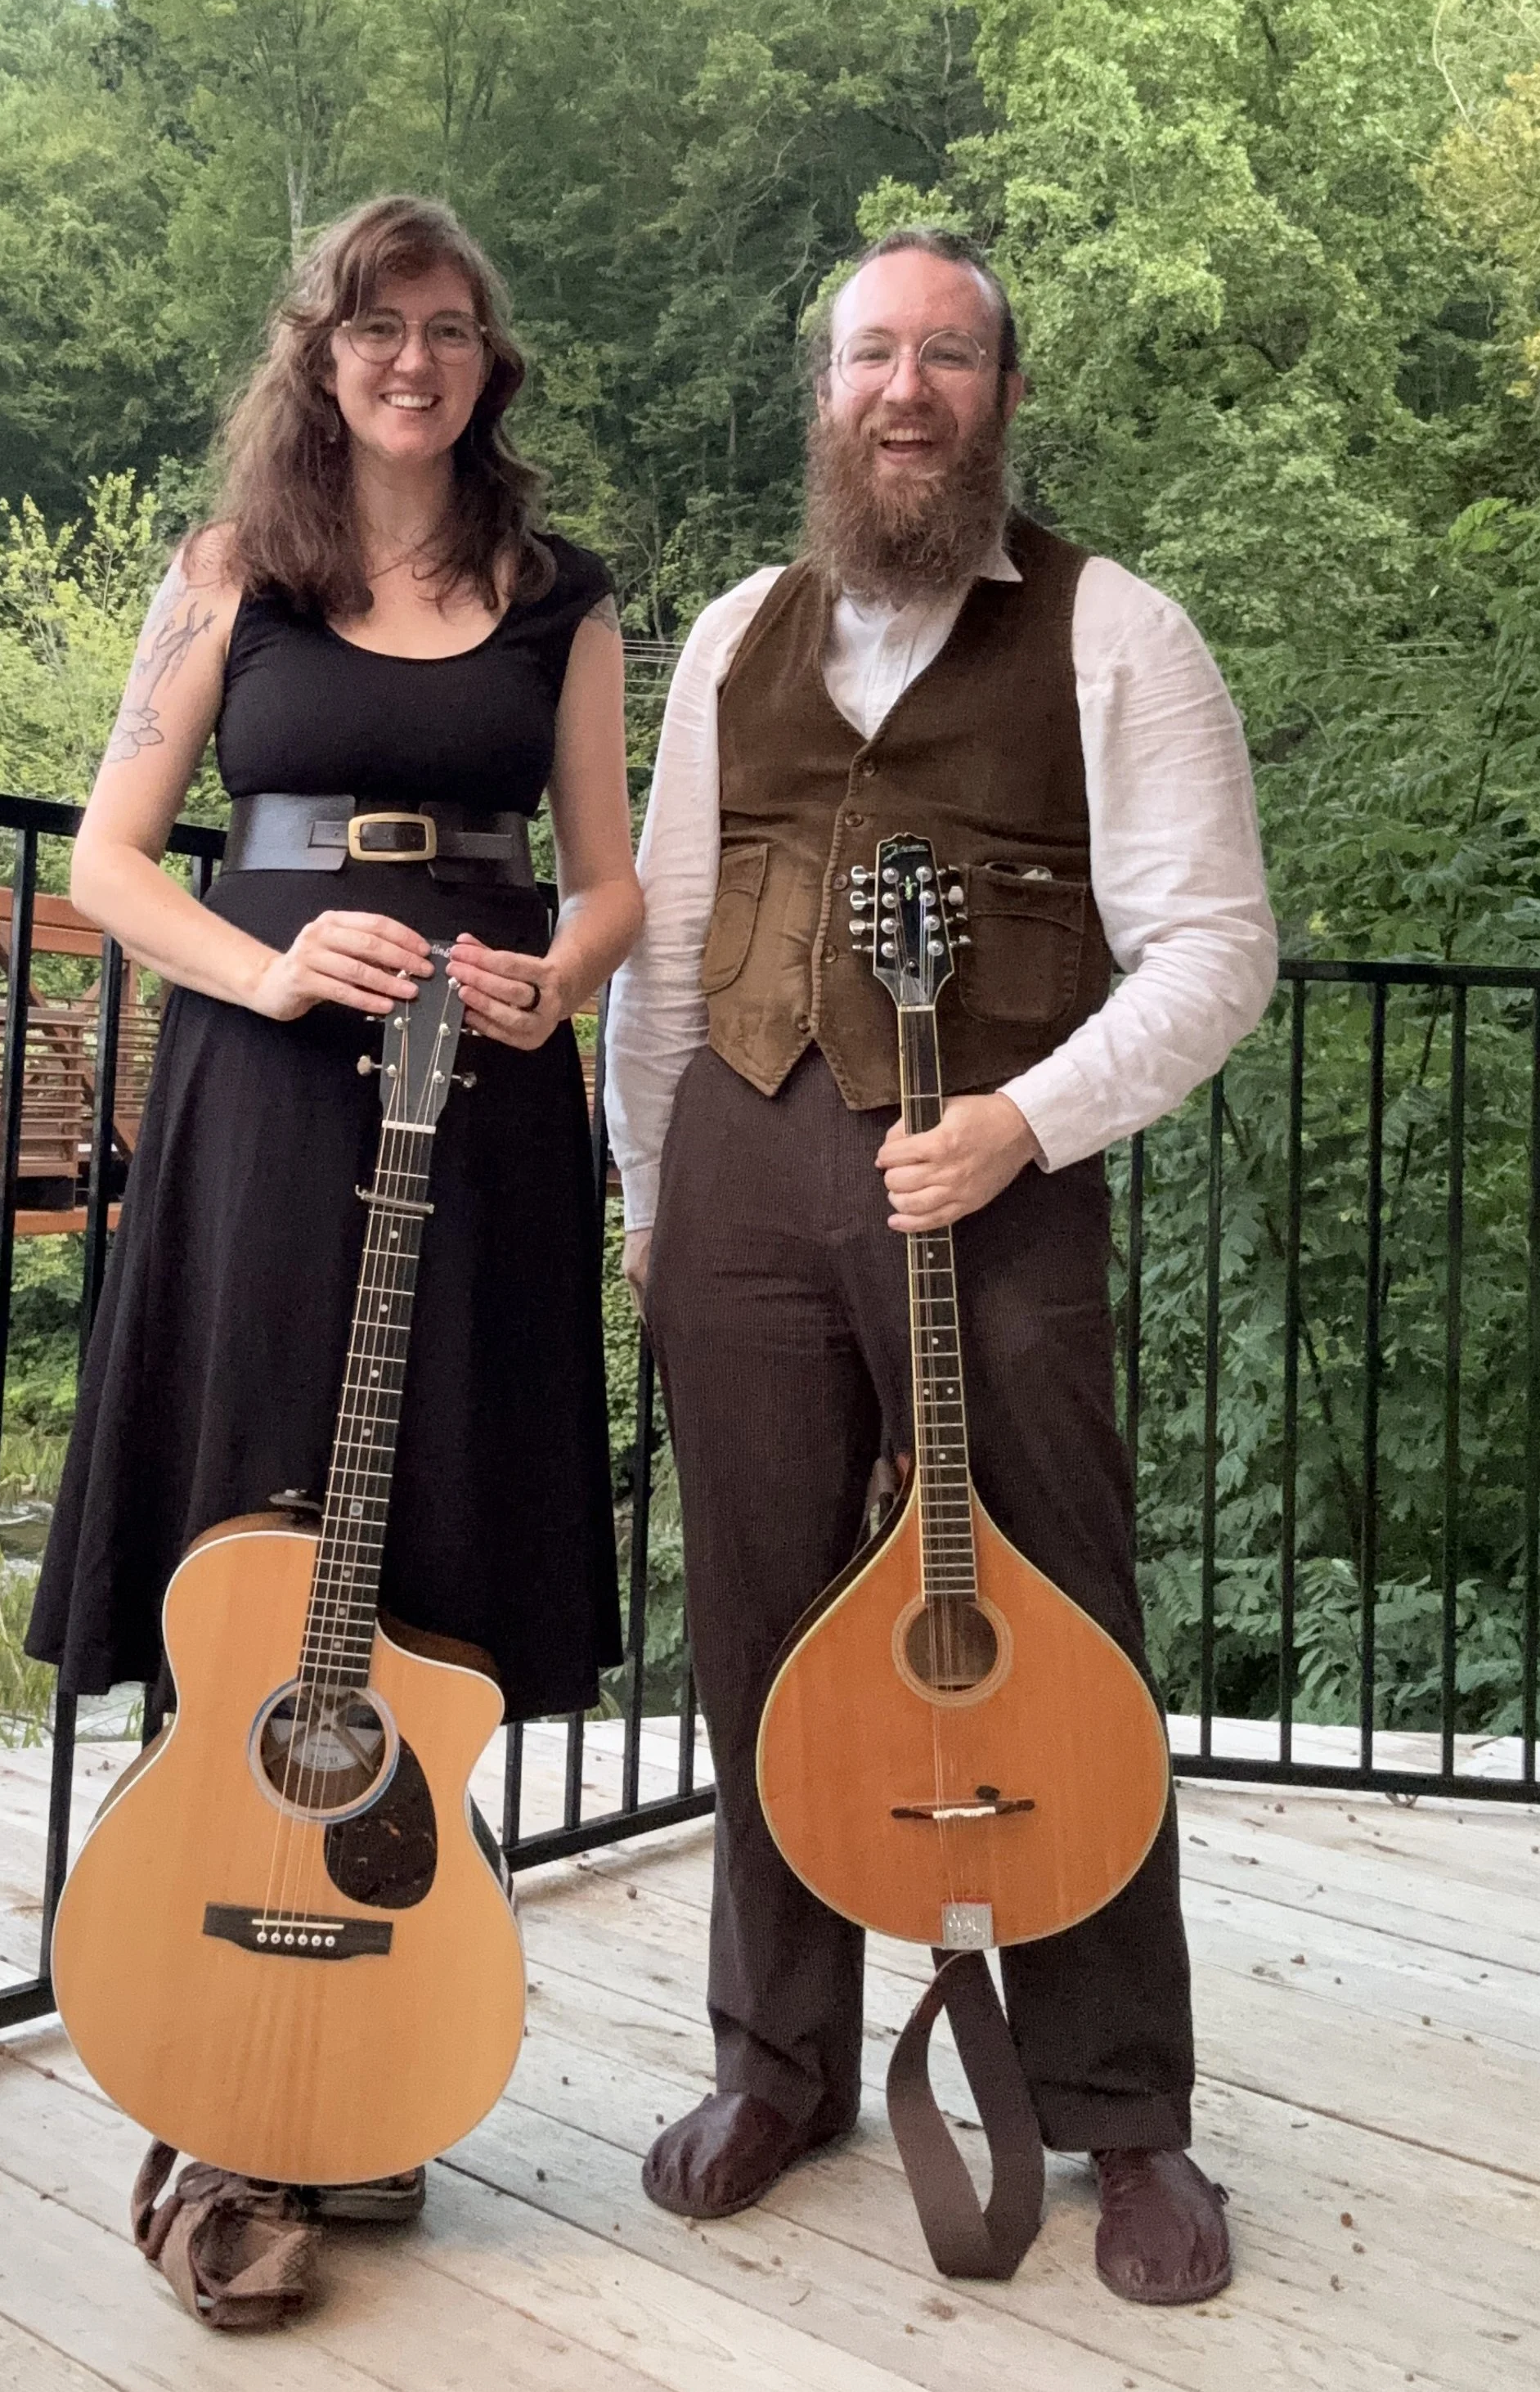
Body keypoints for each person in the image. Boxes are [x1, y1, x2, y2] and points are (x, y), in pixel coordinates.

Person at [603, 227, 1276, 2305]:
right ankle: (777, 2059)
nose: (906, 390)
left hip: (997, 1181)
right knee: (754, 1620)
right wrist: (647, 1192)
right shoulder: (736, 631)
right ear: (823, 392)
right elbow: (666, 935)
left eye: (948, 356)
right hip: (736, 1172)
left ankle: (1121, 2110)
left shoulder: (1113, 632)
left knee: (1056, 1615)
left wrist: (1021, 1121)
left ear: (1002, 392)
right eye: (871, 354)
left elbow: (1214, 949)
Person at [28, 194, 643, 2222]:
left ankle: (372, 2040)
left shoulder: (558, 592)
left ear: (486, 362)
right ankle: (217, 2043)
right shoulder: (229, 573)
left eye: (448, 327)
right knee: (244, 1496)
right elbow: (108, 862)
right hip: (267, 1097)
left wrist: (556, 981)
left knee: (439, 1501)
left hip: (486, 1109)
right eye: (377, 324)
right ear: (319, 350)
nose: (413, 358)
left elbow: (608, 879)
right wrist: (272, 968)